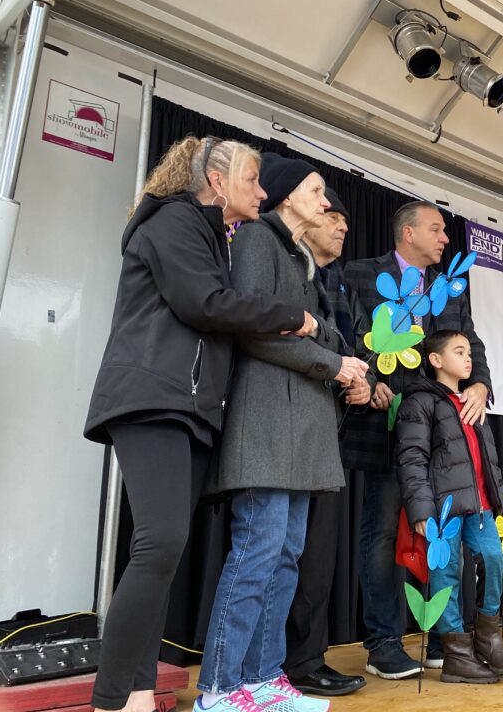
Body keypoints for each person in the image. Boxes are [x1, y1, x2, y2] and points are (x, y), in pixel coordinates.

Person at [84, 137, 317, 712]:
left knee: (161, 554)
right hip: (151, 401)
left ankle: (138, 693)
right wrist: (293, 317)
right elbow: (204, 302)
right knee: (159, 545)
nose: (263, 192)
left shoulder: (211, 236)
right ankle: (112, 699)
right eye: (253, 179)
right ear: (216, 180)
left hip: (189, 412)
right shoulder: (173, 222)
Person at [195, 155, 368, 712]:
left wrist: (352, 363)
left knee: (285, 558)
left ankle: (264, 680)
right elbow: (253, 331)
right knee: (255, 556)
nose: (325, 202)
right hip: (266, 430)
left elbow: (316, 336)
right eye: (317, 191)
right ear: (288, 195)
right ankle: (218, 688)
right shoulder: (255, 243)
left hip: (299, 437)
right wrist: (332, 367)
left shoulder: (299, 260)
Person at [344, 201, 492, 679]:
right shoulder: (363, 274)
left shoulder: (450, 289)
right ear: (407, 233)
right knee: (385, 530)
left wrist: (480, 384)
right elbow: (349, 335)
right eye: (436, 229)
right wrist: (365, 377)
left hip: (445, 435)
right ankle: (383, 642)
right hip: (384, 426)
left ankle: (442, 636)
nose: (446, 238)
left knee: (443, 535)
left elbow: (472, 342)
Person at [283, 186, 372, 697]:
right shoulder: (287, 267)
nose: (341, 226)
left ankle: (306, 661)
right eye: (331, 214)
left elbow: (356, 344)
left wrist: (364, 379)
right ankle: (268, 665)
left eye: (344, 220)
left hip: (330, 433)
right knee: (277, 553)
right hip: (287, 429)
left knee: (317, 556)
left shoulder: (340, 282)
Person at [395, 330, 503, 684]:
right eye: (459, 352)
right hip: (442, 510)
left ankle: (488, 638)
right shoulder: (419, 402)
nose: (469, 359)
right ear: (435, 360)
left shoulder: (471, 401)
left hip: (479, 505)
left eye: (470, 352)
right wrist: (421, 510)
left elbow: (486, 458)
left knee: (493, 559)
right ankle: (456, 653)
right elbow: (412, 458)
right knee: (446, 572)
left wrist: (497, 496)